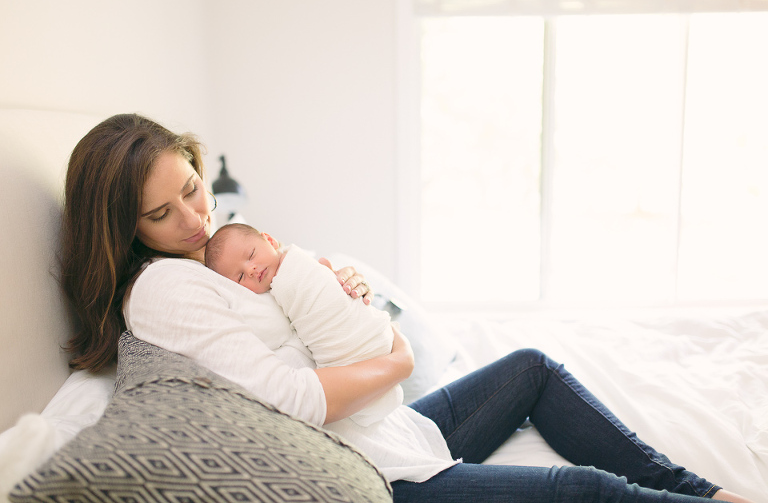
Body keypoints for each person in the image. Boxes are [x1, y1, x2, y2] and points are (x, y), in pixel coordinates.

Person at [60, 113, 754, 503]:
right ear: (121, 227)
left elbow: (296, 334)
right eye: (161, 211)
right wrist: (398, 358)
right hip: (376, 477)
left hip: (384, 435)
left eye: (192, 186)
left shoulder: (207, 258)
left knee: (530, 369)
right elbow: (292, 398)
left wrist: (343, 304)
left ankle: (707, 494)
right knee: (582, 492)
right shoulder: (162, 291)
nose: (194, 217)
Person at [204, 222, 403, 427]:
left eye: (251, 255)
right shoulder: (268, 300)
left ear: (270, 240)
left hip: (376, 337)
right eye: (240, 276)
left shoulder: (298, 263)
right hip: (363, 369)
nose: (251, 269)